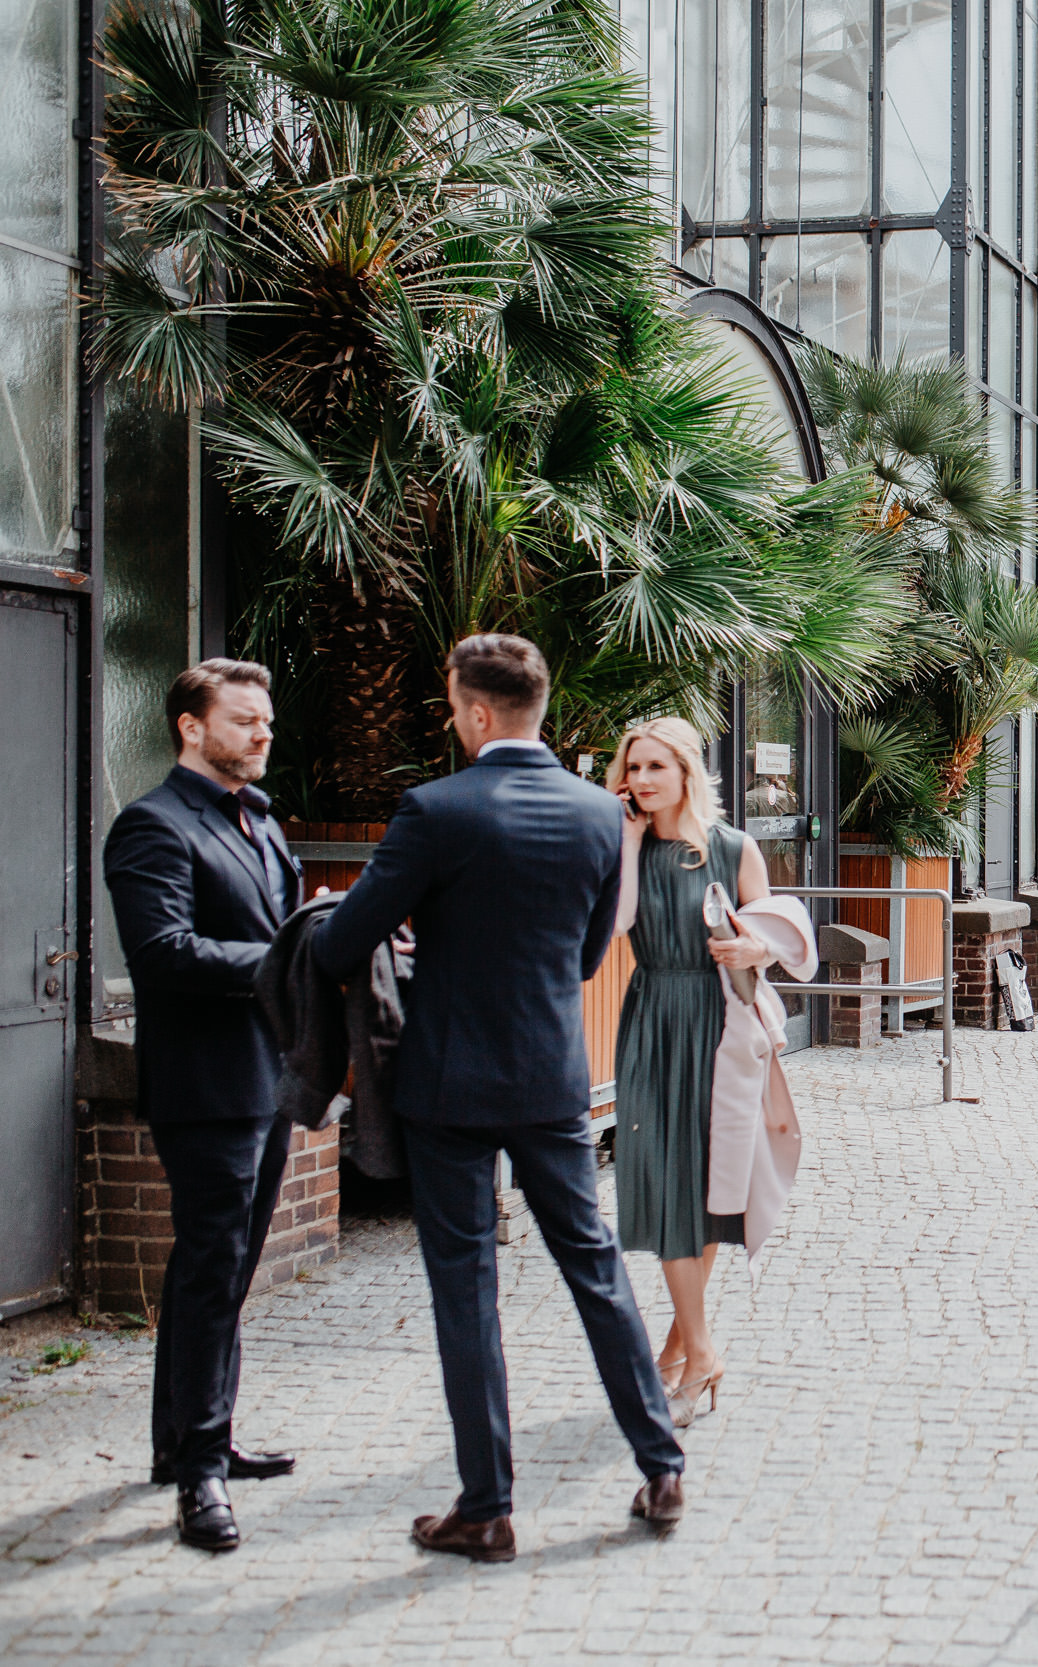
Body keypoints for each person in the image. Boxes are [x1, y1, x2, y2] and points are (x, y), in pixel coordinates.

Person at [313, 634, 685, 1560]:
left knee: (465, 1287)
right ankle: (662, 1464)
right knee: (594, 1267)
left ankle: (486, 1507)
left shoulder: (435, 809)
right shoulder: (599, 815)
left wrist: (394, 936)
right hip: (552, 1074)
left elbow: (340, 943)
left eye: (452, 706)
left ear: (476, 712)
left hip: (448, 1082)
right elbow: (588, 955)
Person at [101, 660, 303, 1553]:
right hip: (205, 1085)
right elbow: (163, 952)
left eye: (267, 722)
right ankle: (199, 1478)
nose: (263, 734)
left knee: (221, 1269)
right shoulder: (152, 824)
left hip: (269, 1078)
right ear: (191, 726)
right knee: (212, 1271)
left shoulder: (259, 817)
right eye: (245, 720)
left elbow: (275, 928)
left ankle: (185, 1440)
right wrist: (291, 957)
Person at [606, 716, 802, 1426]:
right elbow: (616, 924)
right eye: (633, 767)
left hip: (719, 1027)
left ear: (687, 772)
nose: (641, 779)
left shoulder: (732, 847)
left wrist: (755, 951)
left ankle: (685, 1350)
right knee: (662, 1183)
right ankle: (699, 1349)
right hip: (652, 1020)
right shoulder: (623, 845)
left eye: (656, 766)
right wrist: (628, 843)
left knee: (706, 1187)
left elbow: (769, 932)